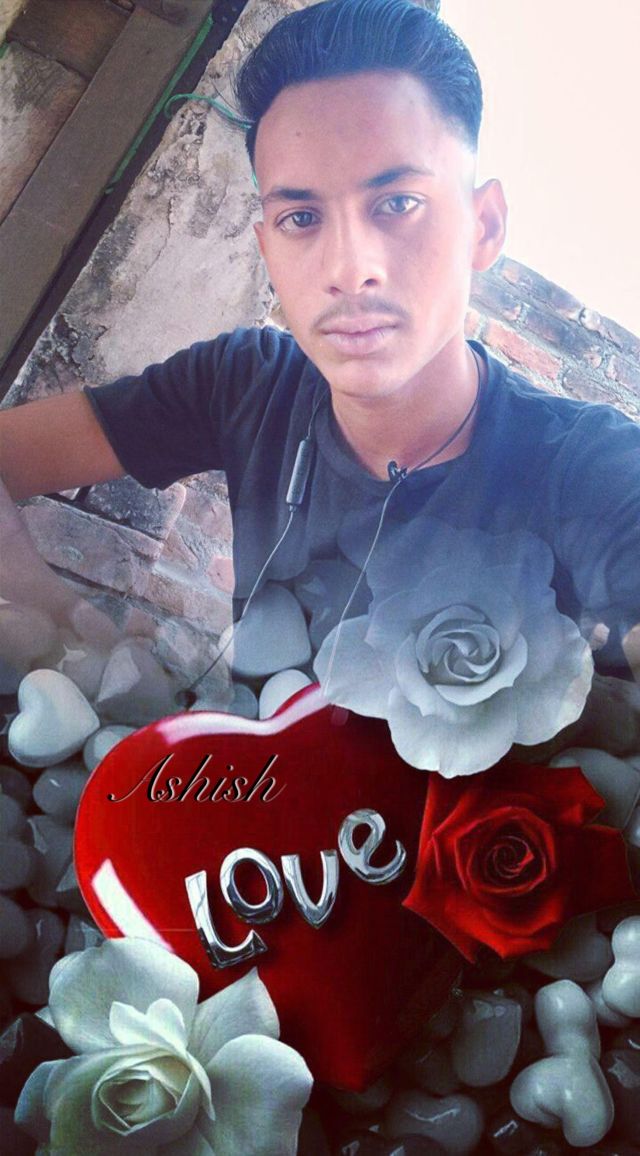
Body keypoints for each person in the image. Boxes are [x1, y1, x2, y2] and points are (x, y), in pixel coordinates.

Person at [1, 0, 639, 757]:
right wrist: (65, 629)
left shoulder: (596, 474)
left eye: (397, 203)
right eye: (302, 219)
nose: (348, 268)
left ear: (484, 226)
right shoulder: (247, 384)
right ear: (267, 250)